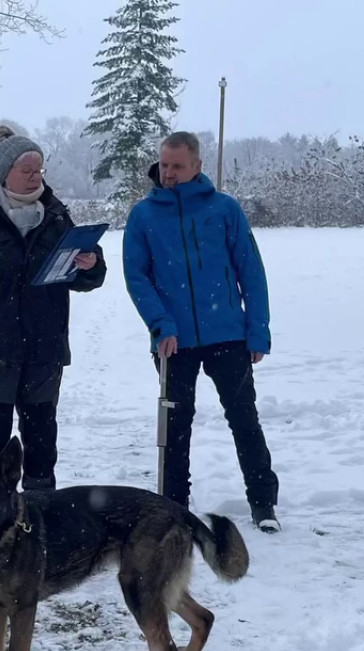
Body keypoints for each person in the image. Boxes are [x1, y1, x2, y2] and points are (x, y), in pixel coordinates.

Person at [122, 131, 280, 533]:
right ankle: (174, 506)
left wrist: (257, 330)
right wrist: (161, 324)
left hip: (228, 335)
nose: (168, 173)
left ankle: (263, 502)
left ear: (197, 166)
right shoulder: (143, 215)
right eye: (164, 164)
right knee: (175, 427)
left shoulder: (224, 209)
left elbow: (251, 271)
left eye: (177, 166)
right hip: (173, 341)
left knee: (244, 419)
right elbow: (137, 277)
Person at [0, 125, 106, 490]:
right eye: (26, 170)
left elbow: (87, 276)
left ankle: (41, 511)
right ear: (4, 172)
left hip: (45, 351)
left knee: (41, 444)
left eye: (39, 169)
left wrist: (91, 265)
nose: (34, 176)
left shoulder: (56, 217)